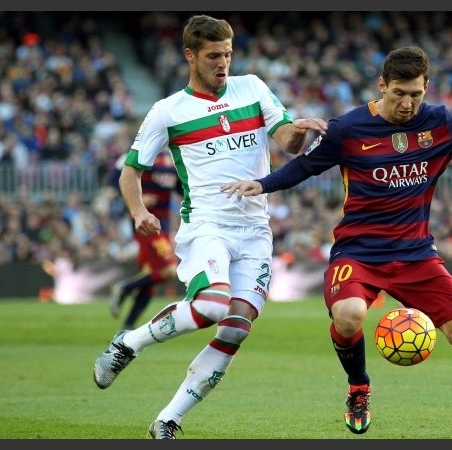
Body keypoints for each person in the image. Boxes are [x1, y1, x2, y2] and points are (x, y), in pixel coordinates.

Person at [223, 45, 452, 439]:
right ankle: (359, 387)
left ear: (426, 88)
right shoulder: (348, 129)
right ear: (382, 85)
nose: (407, 103)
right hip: (359, 252)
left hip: (416, 254)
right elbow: (303, 167)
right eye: (398, 93)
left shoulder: (441, 123)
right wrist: (262, 185)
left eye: (415, 94)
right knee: (348, 316)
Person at [91, 14, 327, 439]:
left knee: (235, 328)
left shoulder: (252, 88)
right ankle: (130, 342)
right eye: (214, 55)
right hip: (207, 225)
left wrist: (303, 132)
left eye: (228, 54)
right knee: (214, 306)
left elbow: (287, 141)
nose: (223, 63)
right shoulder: (168, 111)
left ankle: (168, 419)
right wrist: (138, 212)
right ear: (190, 55)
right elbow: (131, 172)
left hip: (256, 230)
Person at [107, 149, 182, 332]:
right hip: (145, 222)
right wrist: (137, 200)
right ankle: (124, 287)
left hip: (162, 224)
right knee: (168, 271)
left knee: (151, 280)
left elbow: (183, 189)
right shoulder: (141, 150)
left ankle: (127, 327)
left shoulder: (175, 156)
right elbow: (115, 178)